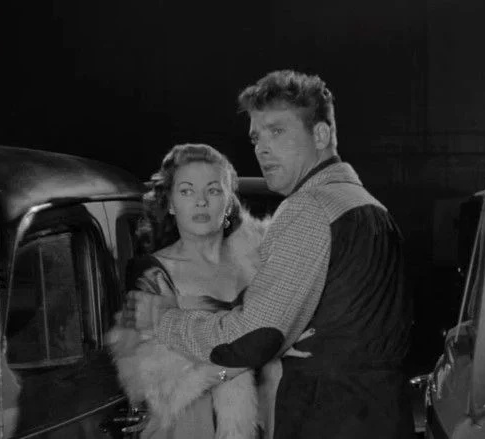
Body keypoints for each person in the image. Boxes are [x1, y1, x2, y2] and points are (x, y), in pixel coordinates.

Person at [126, 70, 415, 438]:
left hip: (330, 421)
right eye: (256, 137)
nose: (261, 148)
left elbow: (254, 337)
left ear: (320, 135)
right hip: (385, 417)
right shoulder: (371, 207)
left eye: (277, 131)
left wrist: (165, 322)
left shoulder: (309, 208)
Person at [108, 143, 278, 439]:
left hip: (278, 417)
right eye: (187, 191)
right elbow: (157, 381)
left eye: (213, 190)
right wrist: (233, 367)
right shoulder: (153, 273)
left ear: (229, 201)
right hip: (196, 426)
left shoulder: (261, 259)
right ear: (171, 204)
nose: (201, 202)